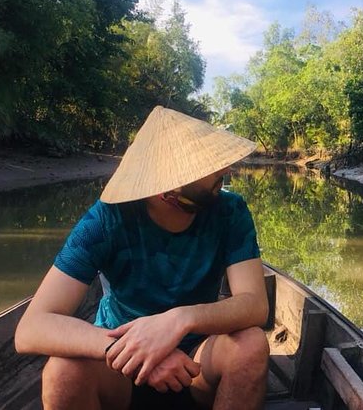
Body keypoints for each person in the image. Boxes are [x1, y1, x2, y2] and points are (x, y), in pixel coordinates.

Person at [14, 106, 270, 410]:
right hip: (121, 370)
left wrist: (180, 319)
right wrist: (134, 351)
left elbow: (255, 305)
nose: (224, 171)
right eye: (207, 168)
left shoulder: (230, 211)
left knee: (251, 345)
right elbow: (32, 328)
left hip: (199, 361)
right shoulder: (106, 221)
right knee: (62, 372)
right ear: (169, 193)